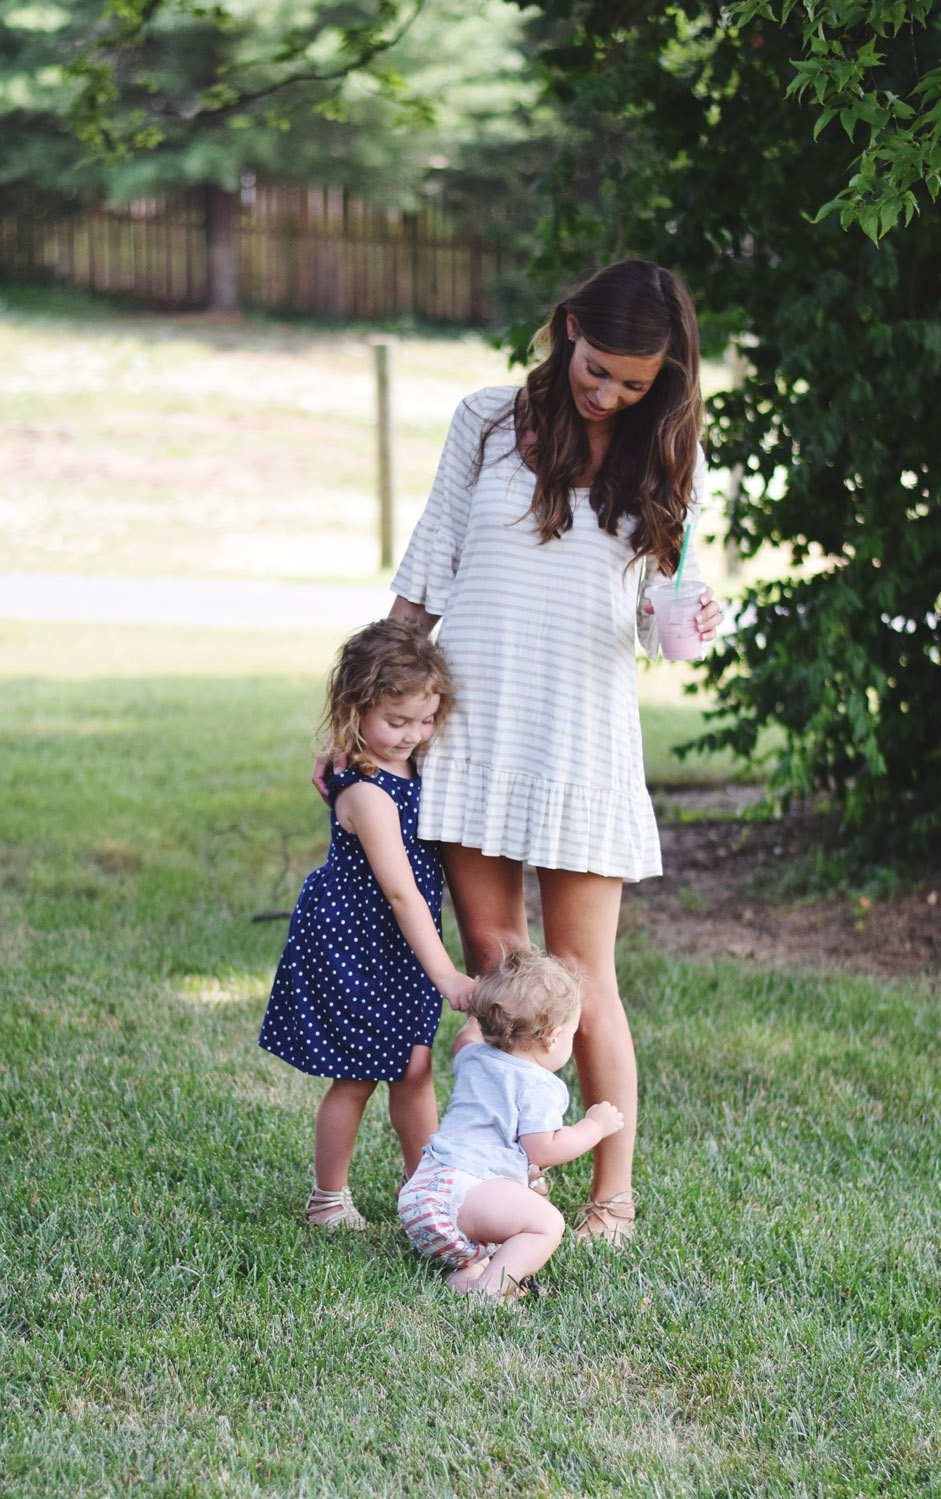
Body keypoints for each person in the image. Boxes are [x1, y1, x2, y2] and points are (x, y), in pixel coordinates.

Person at [315, 258, 721, 1243]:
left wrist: (695, 614)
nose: (609, 390)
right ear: (569, 325)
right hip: (476, 729)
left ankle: (609, 1198)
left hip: (582, 735)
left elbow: (667, 616)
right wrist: (360, 719)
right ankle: (500, 1174)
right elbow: (426, 571)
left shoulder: (671, 452)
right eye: (599, 366)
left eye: (634, 380)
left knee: (583, 979)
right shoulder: (488, 421)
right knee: (500, 966)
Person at [260, 618, 476, 1233]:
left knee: (414, 1067)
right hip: (359, 943)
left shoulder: (410, 764)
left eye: (426, 720)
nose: (413, 735)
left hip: (399, 948)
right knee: (356, 1075)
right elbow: (403, 892)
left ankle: (426, 1189)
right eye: (396, 722)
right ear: (357, 710)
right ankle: (328, 1200)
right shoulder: (368, 793)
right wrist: (448, 976)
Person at [397, 948, 625, 1301]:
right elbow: (543, 1148)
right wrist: (594, 1127)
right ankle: (490, 1293)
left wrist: (480, 1016)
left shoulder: (473, 1057)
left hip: (423, 1192)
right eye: (571, 1034)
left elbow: (466, 1039)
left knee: (504, 1217)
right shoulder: (540, 1085)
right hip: (465, 1193)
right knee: (547, 1224)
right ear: (551, 1036)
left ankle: (468, 1276)